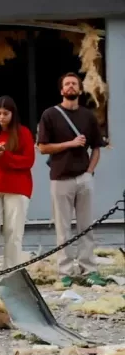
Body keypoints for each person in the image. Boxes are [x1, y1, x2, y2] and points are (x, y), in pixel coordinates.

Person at [37, 72, 108, 287]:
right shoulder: (50, 115)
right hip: (60, 179)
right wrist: (70, 144)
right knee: (63, 228)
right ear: (61, 90)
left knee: (86, 226)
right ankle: (65, 271)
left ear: (79, 89)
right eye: (66, 84)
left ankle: (89, 269)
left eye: (74, 84)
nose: (70, 87)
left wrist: (89, 171)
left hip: (83, 178)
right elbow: (42, 148)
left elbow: (96, 147)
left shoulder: (88, 116)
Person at [0, 96, 35, 278]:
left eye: (6, 113)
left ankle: (11, 276)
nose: (2, 117)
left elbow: (28, 161)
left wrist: (5, 156)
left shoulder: (23, 133)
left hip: (17, 188)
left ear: (13, 114)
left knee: (14, 233)